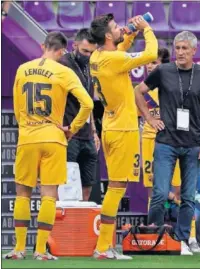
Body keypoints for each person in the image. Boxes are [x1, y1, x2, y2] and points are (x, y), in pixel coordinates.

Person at [4, 31, 94, 260]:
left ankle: (19, 248)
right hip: (54, 137)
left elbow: (16, 106)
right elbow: (87, 103)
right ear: (62, 51)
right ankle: (41, 250)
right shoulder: (64, 71)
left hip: (27, 137)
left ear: (43, 45)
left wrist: (26, 126)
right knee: (49, 195)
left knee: (22, 193)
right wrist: (72, 128)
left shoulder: (22, 69)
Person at [134, 31, 200, 255]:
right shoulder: (163, 70)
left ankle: (182, 239)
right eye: (177, 48)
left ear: (194, 51)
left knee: (188, 196)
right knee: (159, 193)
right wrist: (149, 118)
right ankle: (155, 238)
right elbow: (138, 91)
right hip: (165, 142)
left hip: (192, 144)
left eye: (184, 49)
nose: (180, 52)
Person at [89, 13, 157, 260]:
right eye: (116, 27)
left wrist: (130, 33)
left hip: (111, 124)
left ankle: (105, 245)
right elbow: (150, 54)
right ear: (108, 35)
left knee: (116, 186)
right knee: (117, 187)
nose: (120, 28)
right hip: (123, 129)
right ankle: (104, 246)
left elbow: (120, 54)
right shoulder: (113, 59)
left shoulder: (98, 56)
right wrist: (147, 29)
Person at [59, 28, 100, 201]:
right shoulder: (63, 64)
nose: (88, 55)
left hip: (87, 135)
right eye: (84, 51)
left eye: (91, 52)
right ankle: (63, 225)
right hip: (69, 133)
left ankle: (81, 222)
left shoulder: (91, 65)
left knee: (88, 182)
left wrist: (94, 130)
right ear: (74, 45)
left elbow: (88, 101)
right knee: (65, 183)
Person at [139, 48, 183, 207]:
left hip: (173, 141)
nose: (149, 66)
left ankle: (185, 229)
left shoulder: (175, 87)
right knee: (152, 189)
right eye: (147, 63)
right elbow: (138, 119)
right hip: (150, 140)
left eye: (154, 63)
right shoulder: (141, 91)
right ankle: (154, 227)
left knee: (178, 189)